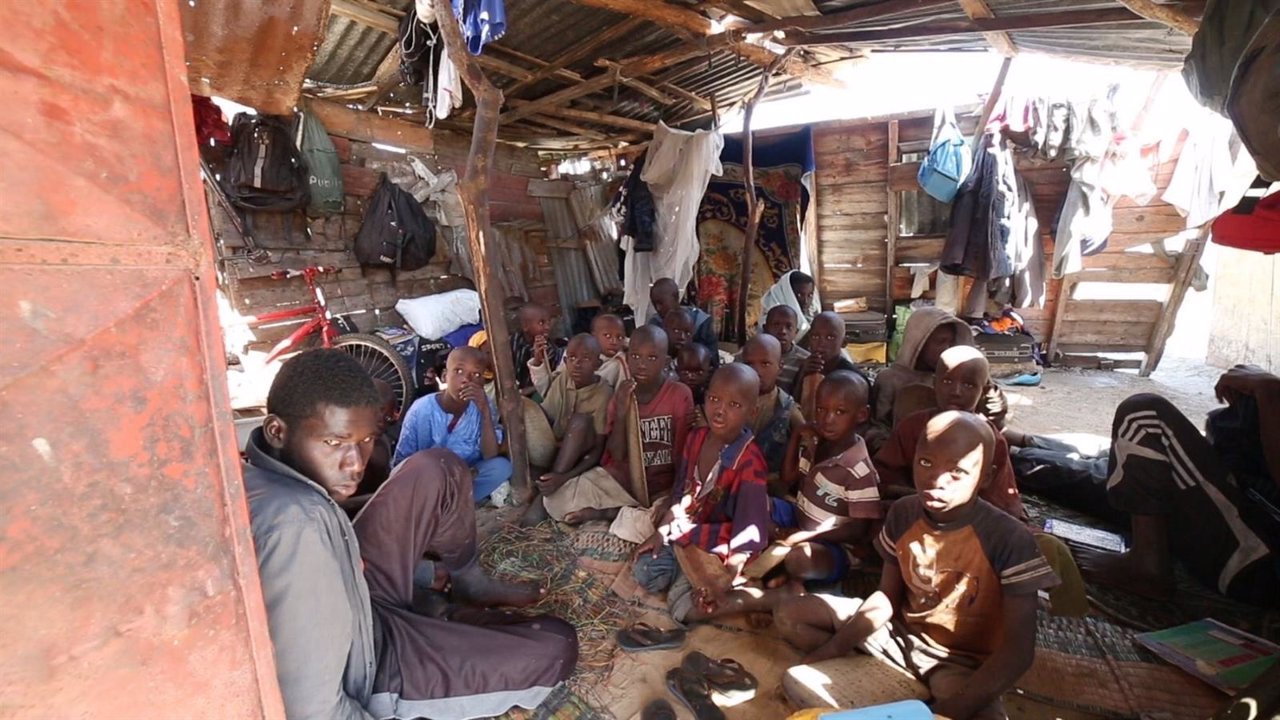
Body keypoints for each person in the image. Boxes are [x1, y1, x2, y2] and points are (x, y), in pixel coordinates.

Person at [243, 349, 578, 720]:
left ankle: (466, 584)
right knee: (555, 647)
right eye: (335, 443)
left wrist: (418, 570)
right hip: (376, 660)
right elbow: (313, 708)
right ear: (277, 431)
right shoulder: (294, 528)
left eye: (366, 440)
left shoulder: (266, 476)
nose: (356, 464)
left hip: (361, 592)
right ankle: (436, 619)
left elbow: (336, 552)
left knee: (438, 467)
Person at [775, 411, 1059, 720]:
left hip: (956, 662)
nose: (936, 480)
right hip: (897, 637)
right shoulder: (904, 512)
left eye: (957, 471)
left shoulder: (1009, 538)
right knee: (792, 616)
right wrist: (828, 653)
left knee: (986, 715)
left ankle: (906, 691)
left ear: (986, 477)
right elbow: (885, 597)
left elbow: (1018, 653)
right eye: (925, 463)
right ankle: (892, 680)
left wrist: (944, 712)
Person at [1076, 365, 1280, 605]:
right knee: (1118, 475)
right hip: (1248, 510)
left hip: (1256, 560)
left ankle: (1147, 565)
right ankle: (1025, 445)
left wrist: (1269, 391)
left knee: (1143, 417)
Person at [632, 364, 771, 622]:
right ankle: (687, 576)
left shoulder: (750, 464)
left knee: (681, 610)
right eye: (714, 399)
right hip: (689, 533)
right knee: (645, 572)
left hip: (720, 547)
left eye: (734, 405)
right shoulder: (696, 438)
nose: (719, 410)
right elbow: (679, 496)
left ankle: (764, 599)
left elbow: (747, 536)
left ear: (752, 412)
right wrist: (660, 533)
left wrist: (725, 580)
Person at [533, 325, 694, 526]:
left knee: (665, 522)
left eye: (651, 358)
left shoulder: (679, 394)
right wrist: (621, 412)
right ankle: (625, 511)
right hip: (622, 481)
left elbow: (683, 453)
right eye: (635, 357)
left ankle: (607, 514)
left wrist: (673, 495)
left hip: (662, 486)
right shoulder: (621, 393)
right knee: (556, 502)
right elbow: (617, 455)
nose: (642, 364)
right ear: (626, 359)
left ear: (666, 361)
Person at [875, 346, 1025, 520]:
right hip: (911, 511)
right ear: (934, 383)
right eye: (947, 382)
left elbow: (1001, 500)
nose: (956, 392)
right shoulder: (912, 426)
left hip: (968, 520)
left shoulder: (990, 440)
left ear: (983, 391)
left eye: (969, 385)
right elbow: (883, 477)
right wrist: (919, 497)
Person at [394, 347, 513, 503]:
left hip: (464, 477)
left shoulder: (484, 406)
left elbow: (490, 454)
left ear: (482, 382)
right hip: (426, 481)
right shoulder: (422, 410)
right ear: (444, 377)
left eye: (476, 375)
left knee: (502, 467)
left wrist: (484, 411)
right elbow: (403, 461)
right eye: (458, 371)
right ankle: (438, 504)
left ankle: (455, 503)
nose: (466, 379)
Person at [522, 334, 614, 518]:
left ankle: (547, 493)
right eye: (572, 358)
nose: (577, 364)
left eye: (585, 358)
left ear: (598, 364)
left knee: (580, 421)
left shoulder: (604, 393)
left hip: (582, 460)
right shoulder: (564, 379)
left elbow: (598, 451)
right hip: (557, 451)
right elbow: (545, 419)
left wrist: (563, 477)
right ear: (565, 361)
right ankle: (549, 484)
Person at [874, 307, 1007, 430]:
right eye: (940, 342)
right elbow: (877, 428)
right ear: (919, 343)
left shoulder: (959, 375)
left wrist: (984, 382)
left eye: (951, 342)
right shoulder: (891, 380)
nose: (947, 348)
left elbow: (994, 417)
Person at [739, 333, 804, 485]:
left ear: (780, 367)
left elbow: (806, 446)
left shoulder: (787, 407)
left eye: (765, 364)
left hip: (770, 487)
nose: (757, 371)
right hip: (733, 482)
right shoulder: (731, 401)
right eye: (749, 364)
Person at [795, 311, 861, 417]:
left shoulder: (851, 375)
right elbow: (794, 403)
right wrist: (803, 373)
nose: (821, 343)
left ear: (843, 343)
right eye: (815, 337)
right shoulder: (807, 367)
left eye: (830, 338)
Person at [648, 277, 718, 350]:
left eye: (661, 303)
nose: (658, 308)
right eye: (654, 304)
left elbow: (712, 357)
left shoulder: (701, 322)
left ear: (676, 298)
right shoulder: (655, 324)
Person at [510, 302, 561, 393]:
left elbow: (548, 381)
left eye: (548, 322)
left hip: (537, 392)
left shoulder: (549, 349)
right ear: (525, 326)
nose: (547, 327)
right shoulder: (513, 342)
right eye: (541, 323)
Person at [763, 304, 811, 394]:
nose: (783, 331)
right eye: (776, 325)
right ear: (765, 328)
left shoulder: (805, 360)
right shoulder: (751, 354)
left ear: (796, 332)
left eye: (789, 327)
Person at [760, 270, 818, 339]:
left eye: (810, 295)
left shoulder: (812, 317)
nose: (806, 301)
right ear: (787, 293)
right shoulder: (772, 318)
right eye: (800, 295)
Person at [590, 313, 629, 389]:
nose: (614, 342)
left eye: (619, 337)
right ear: (594, 337)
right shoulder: (582, 352)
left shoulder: (620, 363)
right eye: (607, 336)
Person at [675, 342, 714, 410]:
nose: (691, 377)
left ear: (709, 372)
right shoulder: (672, 394)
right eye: (686, 372)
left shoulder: (711, 396)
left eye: (699, 372)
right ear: (677, 370)